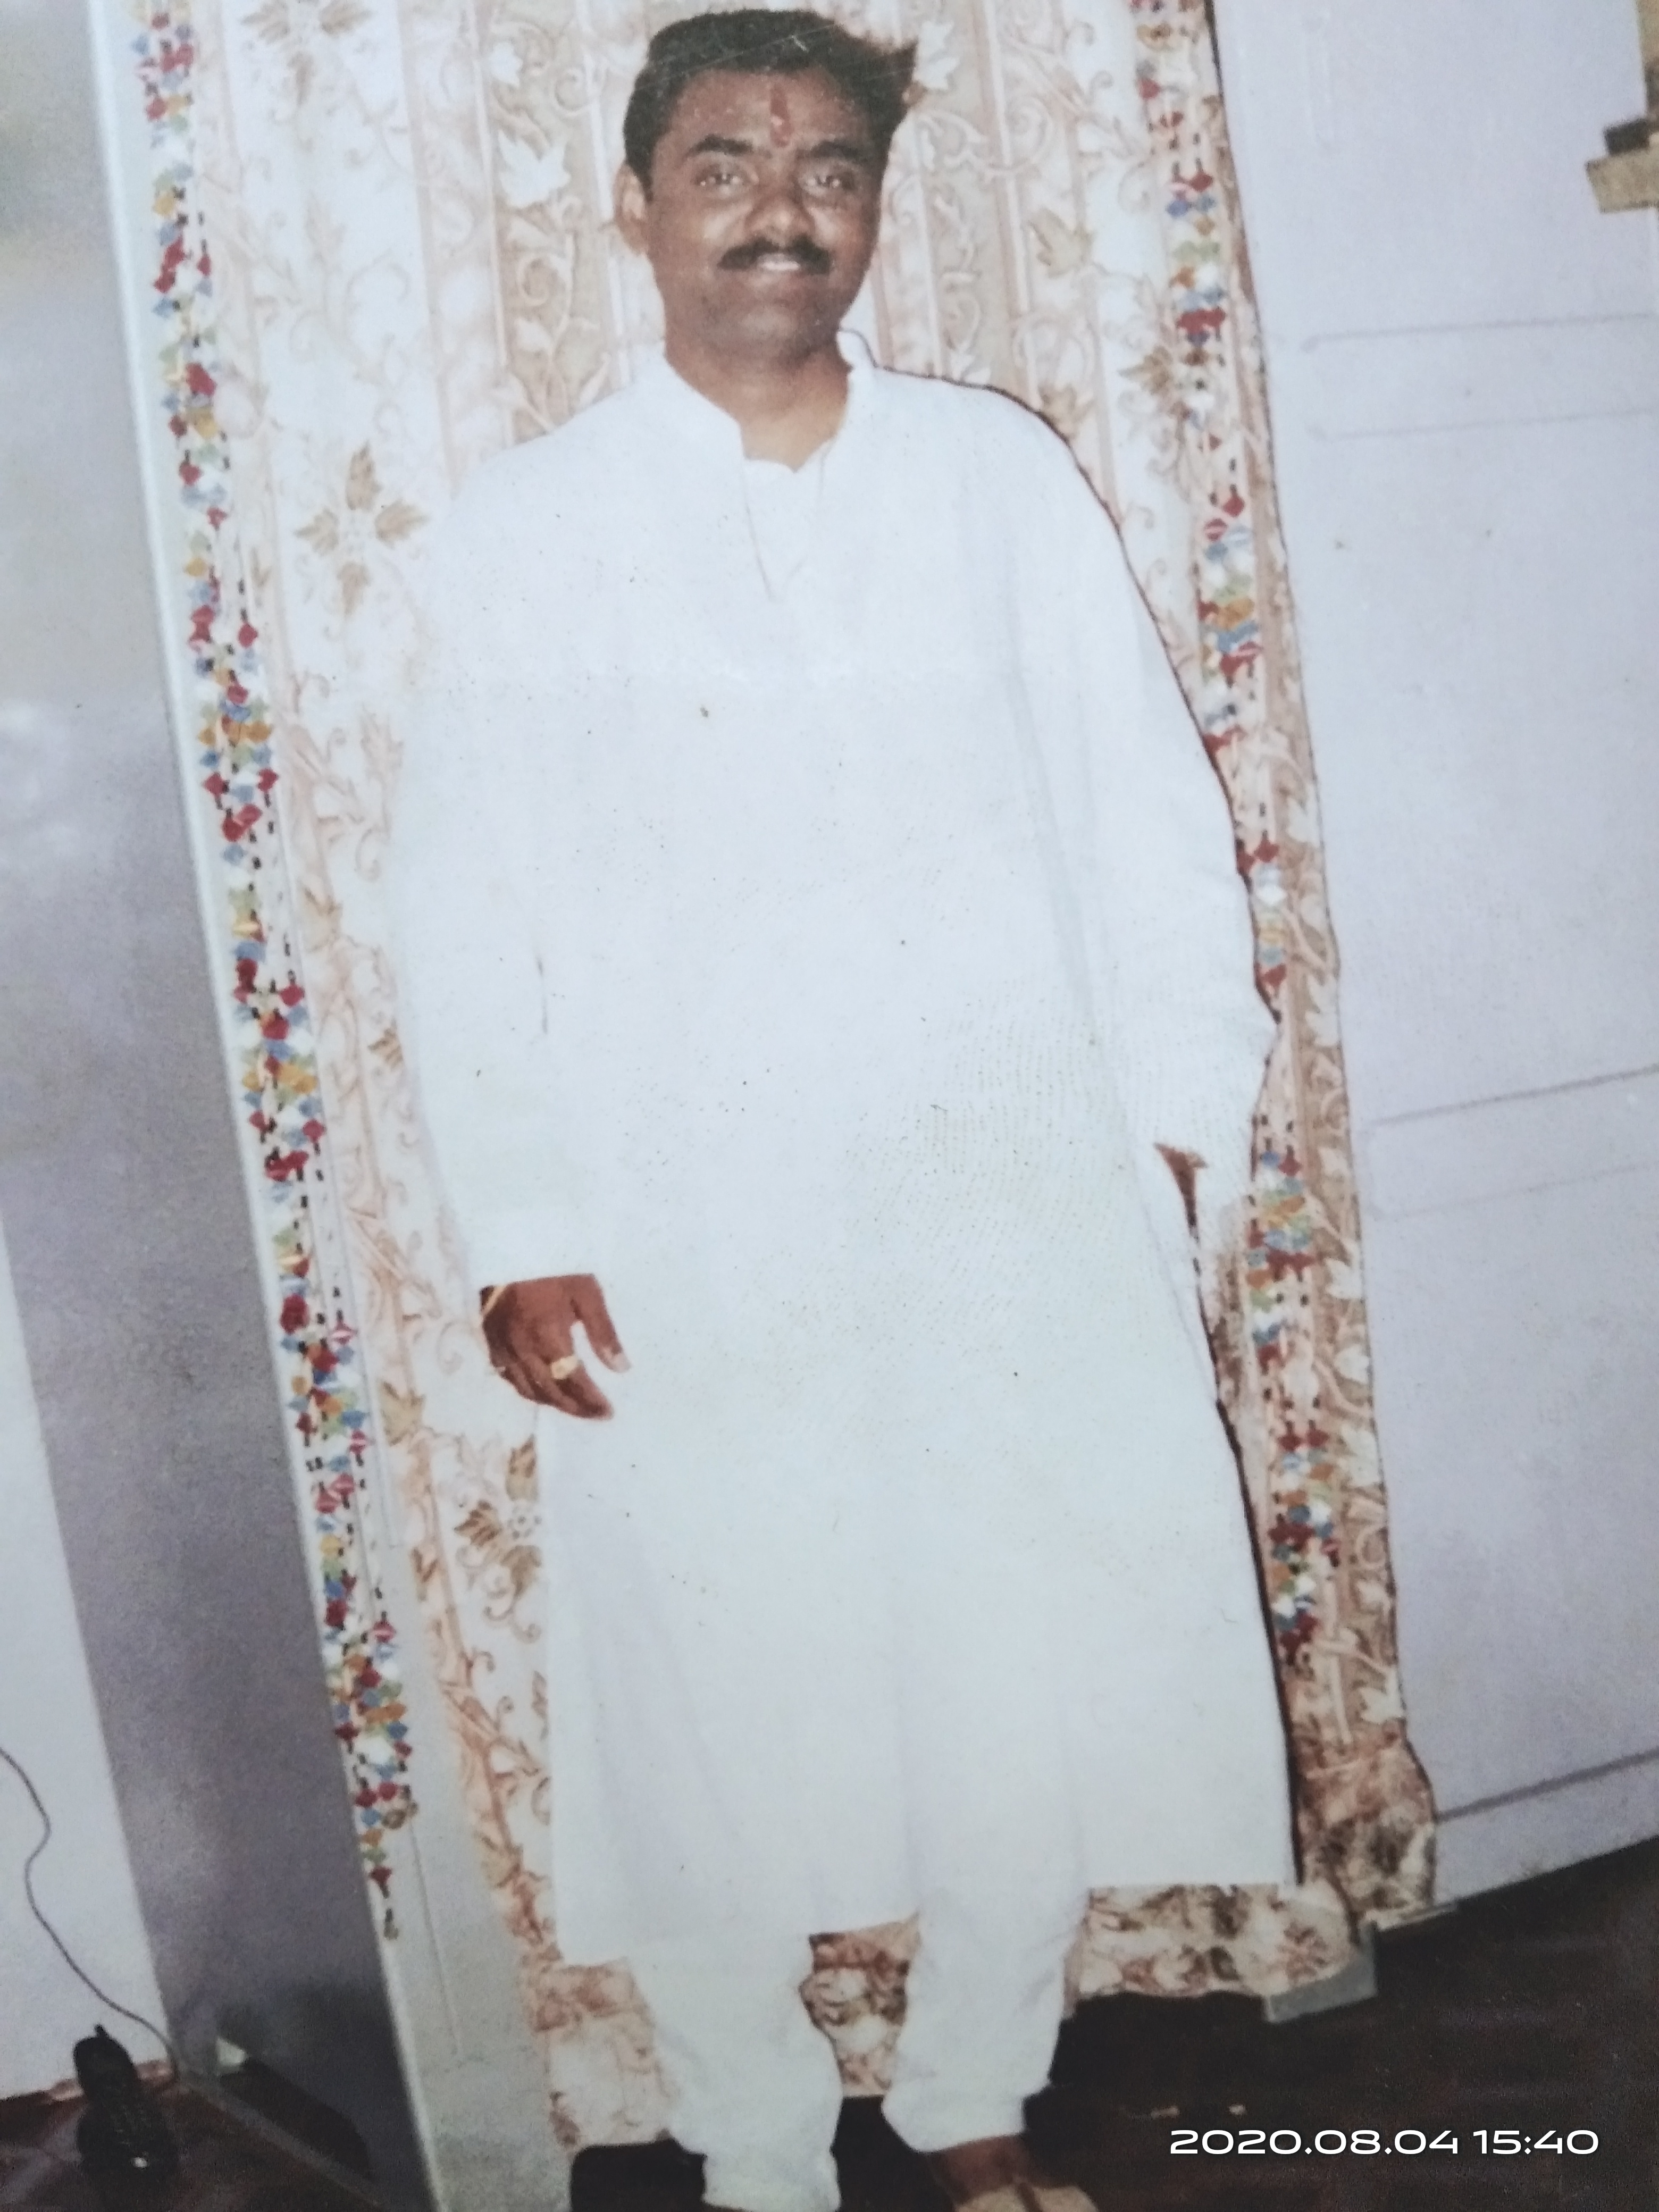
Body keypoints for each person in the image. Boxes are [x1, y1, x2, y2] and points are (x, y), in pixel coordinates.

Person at [390, 12, 1294, 2211]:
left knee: (1011, 1667)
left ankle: (975, 2107)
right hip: (684, 1223)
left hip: (1003, 1190)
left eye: (827, 168)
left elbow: (1150, 819)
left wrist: (1173, 1128)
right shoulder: (529, 532)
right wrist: (522, 1227)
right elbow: (462, 909)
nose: (782, 211)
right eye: (725, 165)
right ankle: (759, 2153)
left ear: (876, 208)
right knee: (702, 1694)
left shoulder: (992, 478)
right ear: (635, 205)